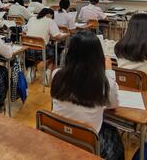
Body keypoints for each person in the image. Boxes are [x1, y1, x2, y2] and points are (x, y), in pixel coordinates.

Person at [51, 31, 123, 160]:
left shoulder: (56, 74)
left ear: (69, 53)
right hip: (87, 141)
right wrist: (109, 71)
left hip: (57, 133)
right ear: (98, 56)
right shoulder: (104, 82)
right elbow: (113, 105)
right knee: (115, 137)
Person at [25, 8, 61, 80]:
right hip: (41, 51)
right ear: (49, 15)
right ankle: (47, 75)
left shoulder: (32, 19)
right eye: (52, 16)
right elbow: (58, 36)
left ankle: (32, 69)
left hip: (27, 50)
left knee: (39, 51)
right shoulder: (50, 21)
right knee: (55, 52)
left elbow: (25, 31)